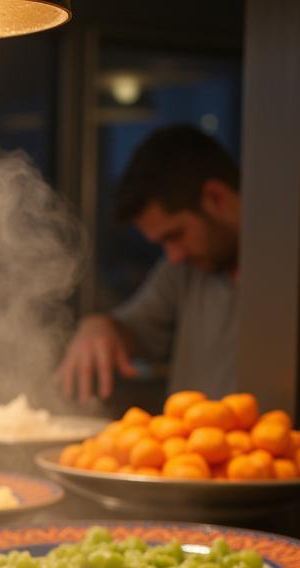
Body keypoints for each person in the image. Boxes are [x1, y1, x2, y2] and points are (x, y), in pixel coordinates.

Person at [57, 125, 240, 403]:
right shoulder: (182, 271)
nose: (174, 256)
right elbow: (132, 329)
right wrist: (98, 326)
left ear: (216, 198)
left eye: (176, 235)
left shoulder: (284, 268)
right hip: (183, 445)